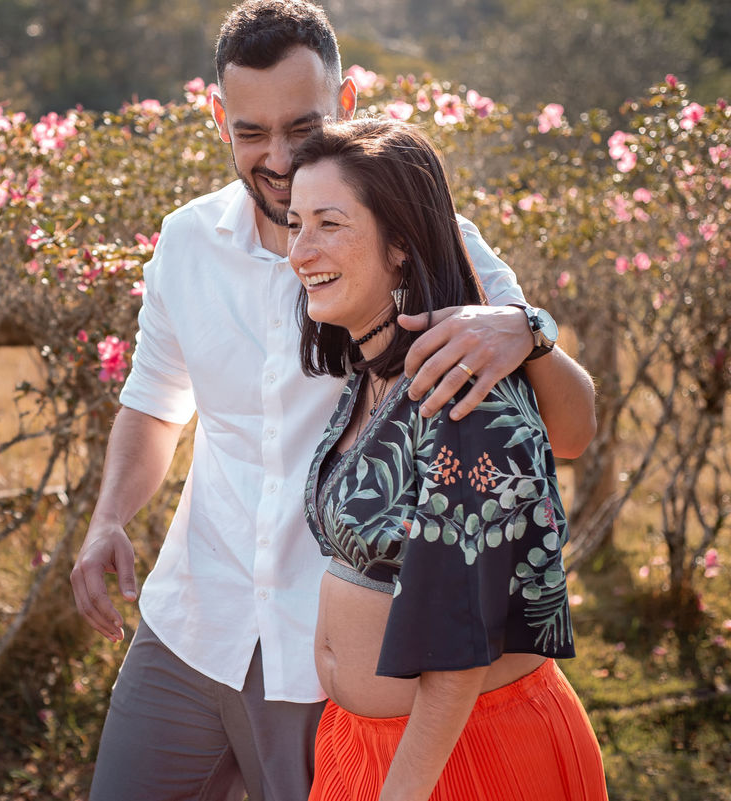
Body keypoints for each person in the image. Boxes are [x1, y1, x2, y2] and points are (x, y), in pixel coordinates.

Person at [70, 2, 597, 799]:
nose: (277, 158)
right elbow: (154, 403)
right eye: (250, 132)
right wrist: (108, 517)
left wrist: (526, 328)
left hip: (335, 672)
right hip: (190, 621)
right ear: (218, 117)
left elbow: (564, 428)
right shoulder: (184, 242)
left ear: (347, 104)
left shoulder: (432, 240)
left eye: (302, 127)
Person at [289, 117, 606, 801]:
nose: (300, 251)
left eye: (328, 224)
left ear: (400, 243)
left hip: (464, 755)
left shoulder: (463, 390)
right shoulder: (369, 373)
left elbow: (464, 633)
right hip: (360, 745)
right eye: (295, 224)